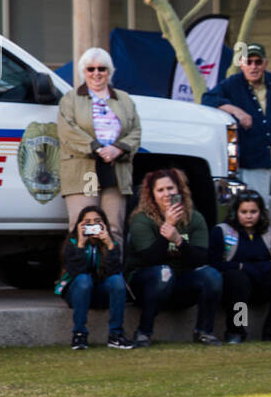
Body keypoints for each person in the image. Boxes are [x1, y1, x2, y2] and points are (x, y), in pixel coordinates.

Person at [201, 43, 271, 240]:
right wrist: (236, 110)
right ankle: (261, 254)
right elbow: (208, 99)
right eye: (248, 62)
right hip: (254, 158)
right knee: (256, 211)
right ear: (241, 64)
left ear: (265, 63)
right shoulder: (232, 84)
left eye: (257, 61)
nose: (253, 66)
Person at [125, 168, 222, 347]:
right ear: (152, 195)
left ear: (179, 190)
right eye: (160, 190)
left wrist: (178, 241)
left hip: (181, 281)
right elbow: (148, 259)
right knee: (163, 272)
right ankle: (143, 332)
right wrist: (167, 227)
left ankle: (204, 332)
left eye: (170, 188)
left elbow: (201, 260)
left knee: (212, 275)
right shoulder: (141, 219)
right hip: (146, 281)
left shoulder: (195, 218)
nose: (166, 194)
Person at [57, 47, 142, 235]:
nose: (96, 73)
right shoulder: (71, 99)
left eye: (101, 69)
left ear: (109, 72)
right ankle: (81, 264)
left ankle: (112, 265)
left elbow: (135, 131)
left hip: (115, 170)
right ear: (83, 72)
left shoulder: (124, 99)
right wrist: (97, 149)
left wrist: (118, 149)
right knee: (84, 228)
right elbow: (68, 131)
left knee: (113, 229)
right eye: (91, 69)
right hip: (85, 171)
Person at [209, 190, 271, 343]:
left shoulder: (268, 232)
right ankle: (236, 331)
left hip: (261, 280)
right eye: (244, 212)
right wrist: (242, 266)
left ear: (261, 213)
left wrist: (260, 268)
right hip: (235, 285)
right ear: (235, 212)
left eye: (253, 212)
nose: (249, 216)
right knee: (237, 279)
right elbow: (214, 262)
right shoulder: (222, 231)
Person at [58, 205, 130, 350]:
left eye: (97, 221)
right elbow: (75, 273)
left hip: (100, 293)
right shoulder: (72, 243)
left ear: (103, 224)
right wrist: (81, 244)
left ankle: (115, 335)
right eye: (87, 222)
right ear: (80, 225)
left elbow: (114, 273)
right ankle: (79, 334)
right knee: (84, 280)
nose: (92, 225)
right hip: (77, 292)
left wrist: (109, 244)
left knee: (117, 280)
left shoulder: (110, 243)